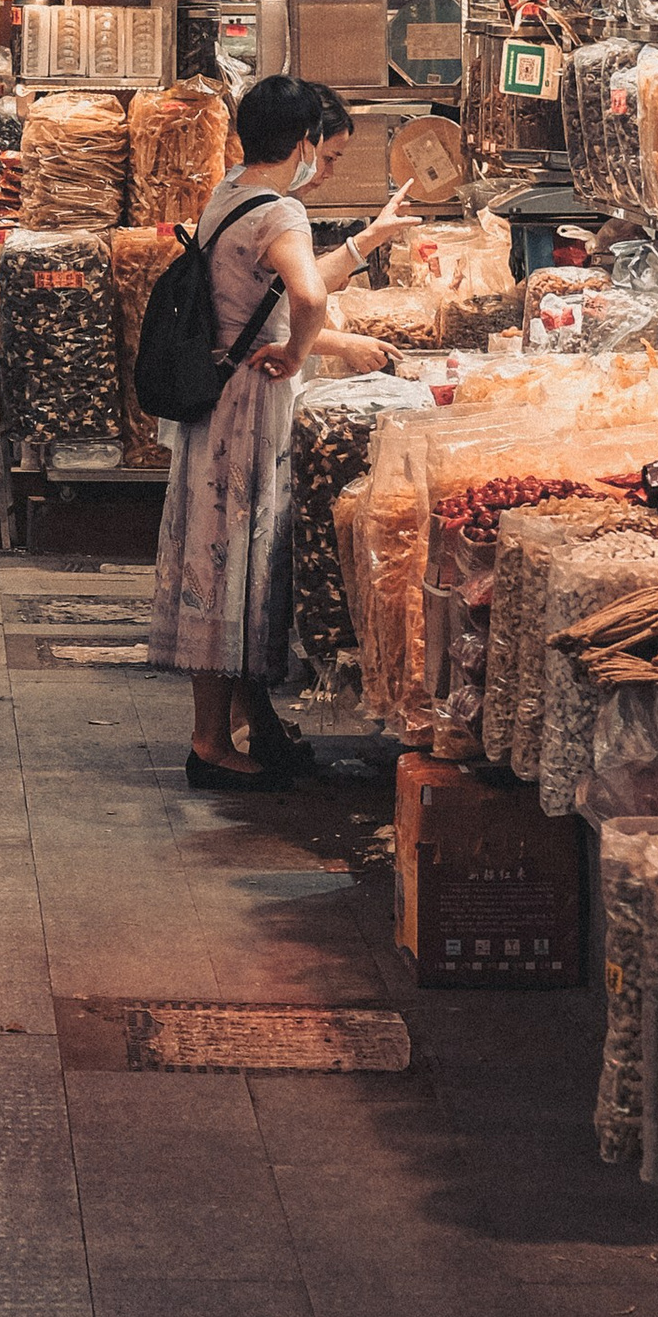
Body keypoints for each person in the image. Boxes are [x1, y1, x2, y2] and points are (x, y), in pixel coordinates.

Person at [145, 76, 414, 791]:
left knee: (223, 561)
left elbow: (268, 288)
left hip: (215, 404)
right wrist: (297, 354)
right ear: (302, 142)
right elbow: (307, 295)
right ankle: (209, 745)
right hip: (249, 409)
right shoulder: (282, 210)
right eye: (321, 149)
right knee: (232, 563)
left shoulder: (231, 192)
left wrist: (363, 243)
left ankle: (243, 724)